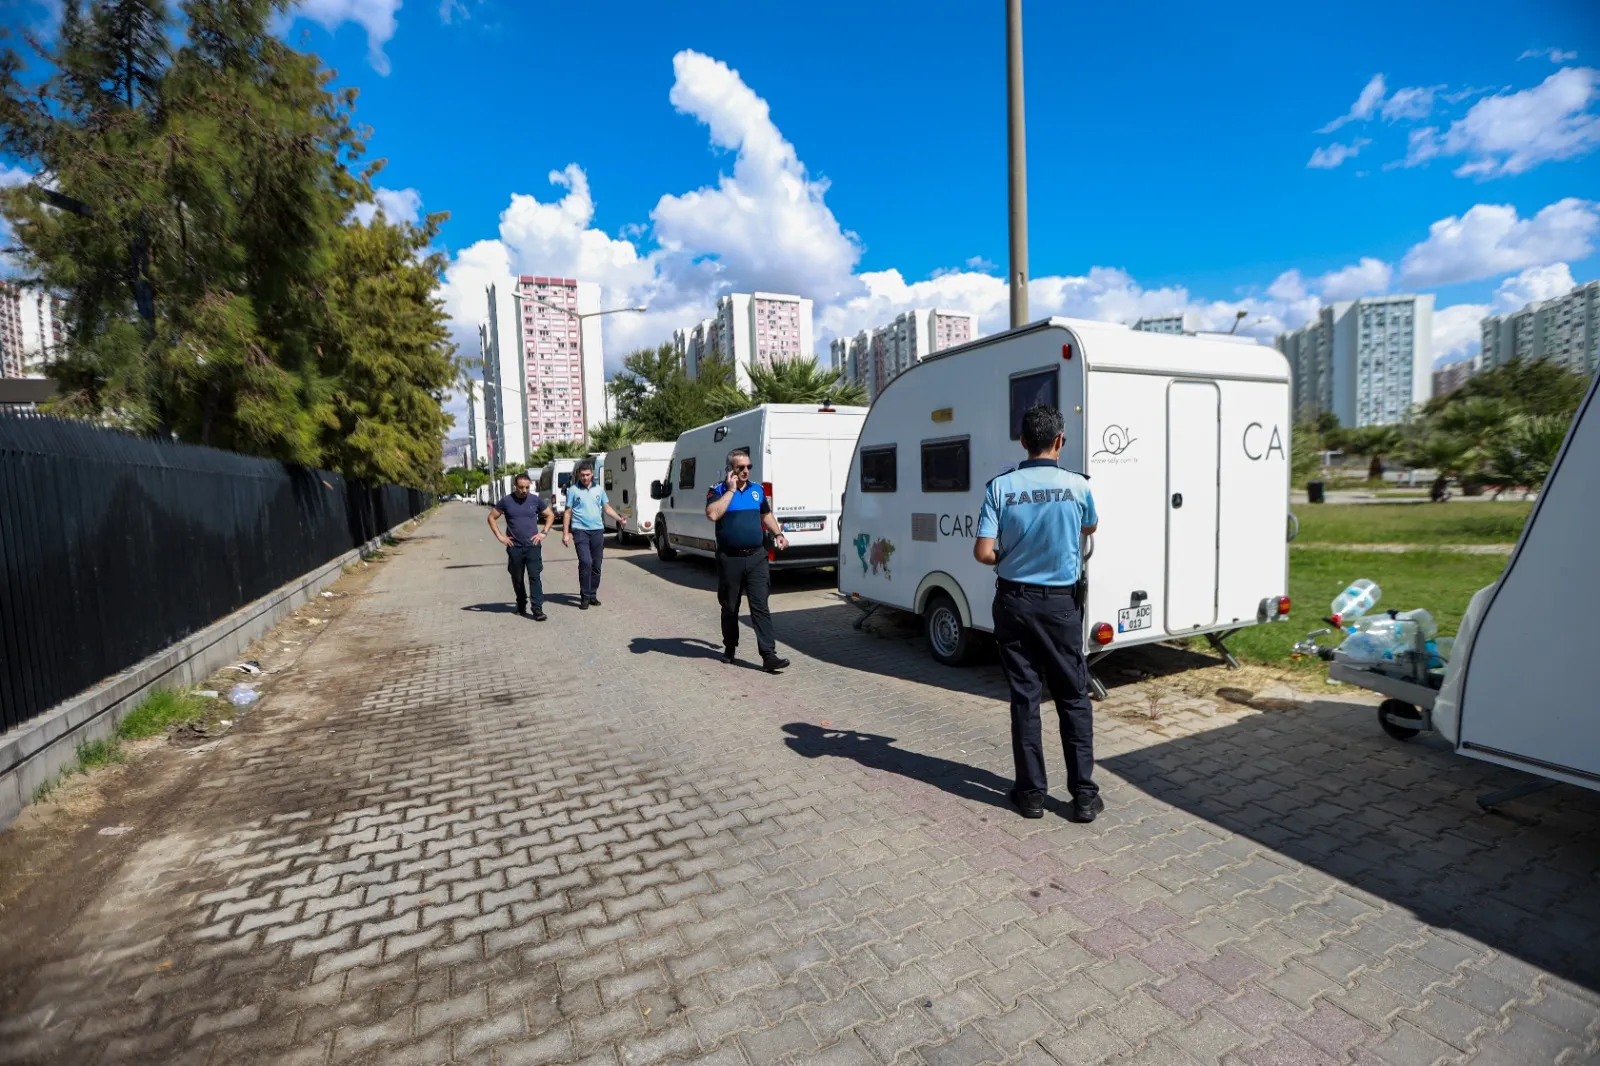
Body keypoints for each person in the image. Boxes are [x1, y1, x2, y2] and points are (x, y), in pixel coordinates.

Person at [974, 405, 1102, 822]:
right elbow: (1089, 528)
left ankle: (1030, 795)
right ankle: (1083, 796)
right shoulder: (1078, 486)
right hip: (1060, 607)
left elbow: (983, 552)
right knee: (1072, 697)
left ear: (1024, 442)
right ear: (1060, 441)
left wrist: (1007, 553)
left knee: (1025, 698)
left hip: (1014, 603)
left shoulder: (1000, 487)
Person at [705, 448, 792, 673]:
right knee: (730, 607)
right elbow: (713, 514)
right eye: (740, 467)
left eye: (748, 467)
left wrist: (778, 534)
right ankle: (730, 647)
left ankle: (768, 655)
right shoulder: (717, 490)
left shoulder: (757, 491)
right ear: (730, 469)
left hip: (756, 557)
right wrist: (731, 491)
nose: (745, 471)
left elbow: (766, 515)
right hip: (729, 559)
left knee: (760, 606)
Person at [488, 473, 554, 620]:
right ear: (515, 486)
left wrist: (544, 532)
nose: (524, 490)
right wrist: (500, 537)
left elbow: (550, 515)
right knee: (517, 578)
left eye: (527, 487)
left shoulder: (535, 500)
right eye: (521, 487)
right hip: (515, 547)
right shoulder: (506, 501)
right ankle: (521, 603)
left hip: (533, 546)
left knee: (534, 577)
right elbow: (491, 517)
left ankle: (537, 608)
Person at [561, 461, 626, 609]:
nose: (584, 477)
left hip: (597, 530)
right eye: (582, 475)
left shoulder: (599, 490)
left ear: (592, 474)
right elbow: (567, 512)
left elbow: (606, 507)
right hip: (580, 530)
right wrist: (566, 533)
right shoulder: (572, 490)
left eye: (587, 475)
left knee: (596, 564)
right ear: (579, 474)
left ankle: (592, 594)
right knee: (586, 562)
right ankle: (584, 596)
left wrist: (619, 519)